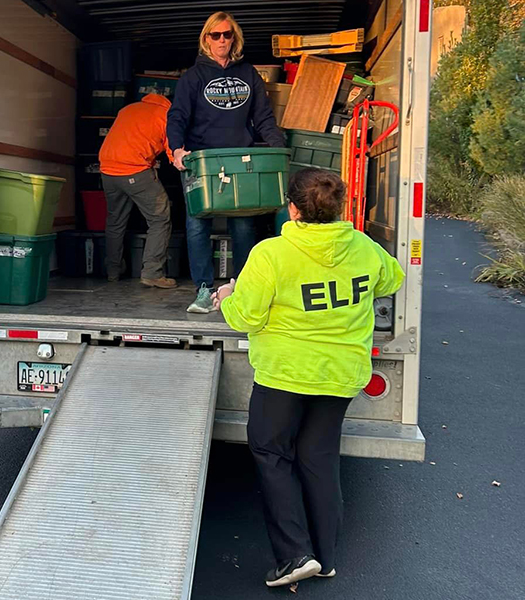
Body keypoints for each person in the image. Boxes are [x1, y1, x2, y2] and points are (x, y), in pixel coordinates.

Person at [213, 168, 405, 587]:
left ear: (292, 209)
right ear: (339, 207)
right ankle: (326, 556)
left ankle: (294, 556)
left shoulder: (271, 254)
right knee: (318, 459)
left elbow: (246, 316)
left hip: (285, 374)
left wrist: (227, 296)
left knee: (270, 451)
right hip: (340, 375)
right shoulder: (363, 246)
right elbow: (393, 278)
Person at [167, 11, 286, 313]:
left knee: (244, 226)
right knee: (197, 225)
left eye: (227, 34)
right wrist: (177, 150)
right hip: (201, 161)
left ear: (235, 38)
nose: (221, 40)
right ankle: (204, 291)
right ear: (206, 39)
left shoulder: (249, 75)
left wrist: (278, 149)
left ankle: (242, 287)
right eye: (215, 35)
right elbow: (177, 116)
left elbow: (263, 117)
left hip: (240, 162)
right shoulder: (192, 77)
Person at [99, 93, 177, 288]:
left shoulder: (128, 109)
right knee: (160, 218)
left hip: (107, 170)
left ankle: (113, 271)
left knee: (115, 221)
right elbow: (173, 150)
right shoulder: (167, 114)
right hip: (133, 169)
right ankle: (152, 273)